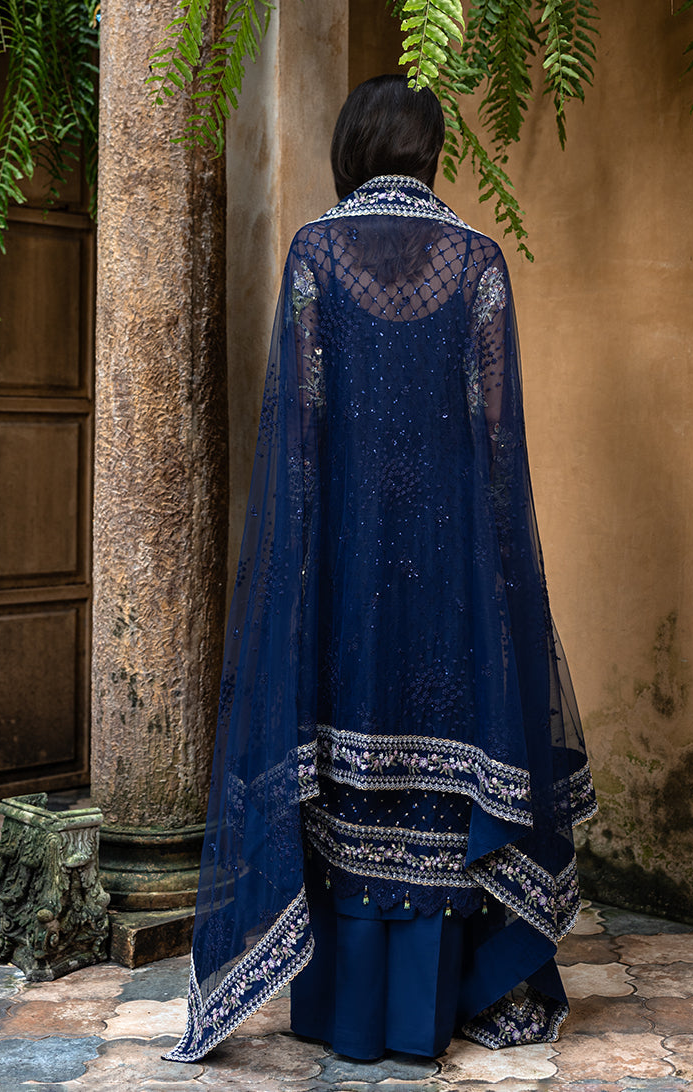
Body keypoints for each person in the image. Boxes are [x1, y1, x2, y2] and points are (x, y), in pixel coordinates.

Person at [164, 74, 596, 1065]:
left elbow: (298, 440)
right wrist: (496, 586)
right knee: (448, 758)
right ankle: (436, 1006)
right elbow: (498, 447)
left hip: (344, 572)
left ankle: (345, 1014)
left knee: (341, 766)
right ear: (431, 152)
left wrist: (301, 577)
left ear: (353, 149)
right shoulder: (480, 264)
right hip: (449, 572)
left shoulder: (314, 257)